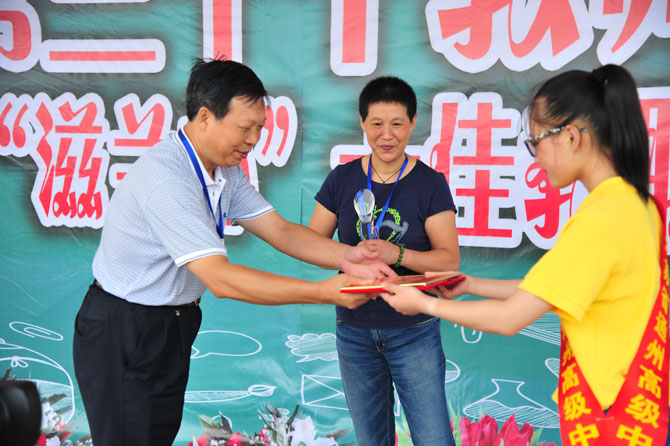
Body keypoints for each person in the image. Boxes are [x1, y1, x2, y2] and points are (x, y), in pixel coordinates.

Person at [72, 58, 394, 446]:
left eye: (260, 128)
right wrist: (325, 292)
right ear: (205, 117)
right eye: (245, 127)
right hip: (126, 327)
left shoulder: (223, 168)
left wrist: (349, 258)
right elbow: (221, 279)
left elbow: (279, 230)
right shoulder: (168, 179)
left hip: (171, 323)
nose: (254, 139)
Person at [380, 65, 669, 445]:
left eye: (536, 142)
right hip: (640, 404)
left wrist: (423, 304)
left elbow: (510, 318)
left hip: (610, 416)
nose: (536, 157)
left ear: (570, 136)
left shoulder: (600, 220)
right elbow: (551, 289)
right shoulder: (637, 205)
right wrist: (470, 284)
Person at [309, 76, 460, 446]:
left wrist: (399, 254)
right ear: (362, 122)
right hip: (354, 330)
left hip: (414, 330)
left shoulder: (430, 183)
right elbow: (311, 245)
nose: (386, 135)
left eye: (397, 124)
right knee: (371, 439)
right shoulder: (342, 179)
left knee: (433, 438)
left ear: (413, 123)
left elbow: (449, 260)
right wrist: (349, 259)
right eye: (376, 123)